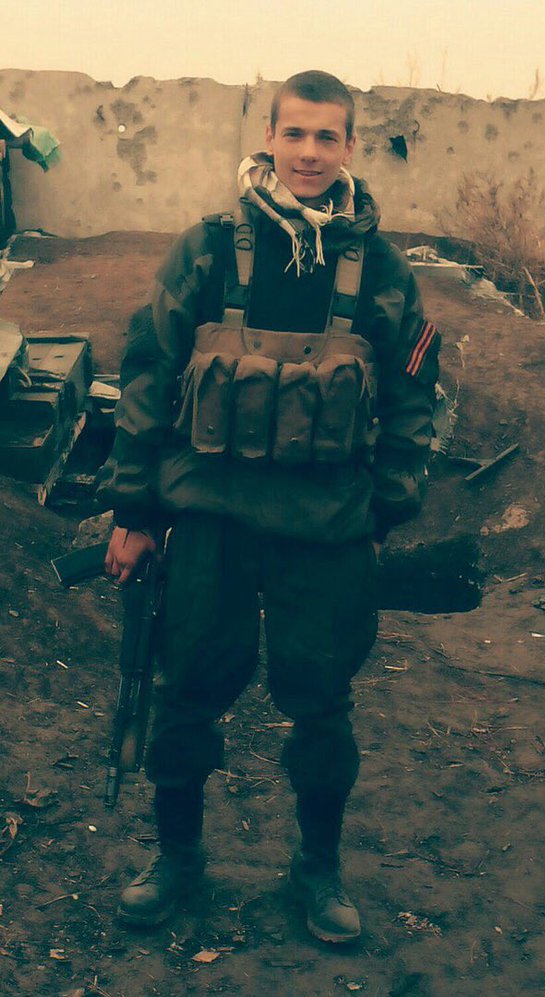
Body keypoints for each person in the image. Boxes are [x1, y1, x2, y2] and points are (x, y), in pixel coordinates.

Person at [97, 69, 440, 943]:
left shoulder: (380, 267)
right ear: (269, 138)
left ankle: (317, 870)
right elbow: (149, 371)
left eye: (327, 137)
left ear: (350, 146)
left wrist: (384, 509)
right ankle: (177, 859)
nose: (309, 153)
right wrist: (134, 511)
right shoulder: (209, 249)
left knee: (322, 708)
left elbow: (413, 395)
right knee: (185, 694)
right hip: (209, 521)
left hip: (325, 531)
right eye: (295, 134)